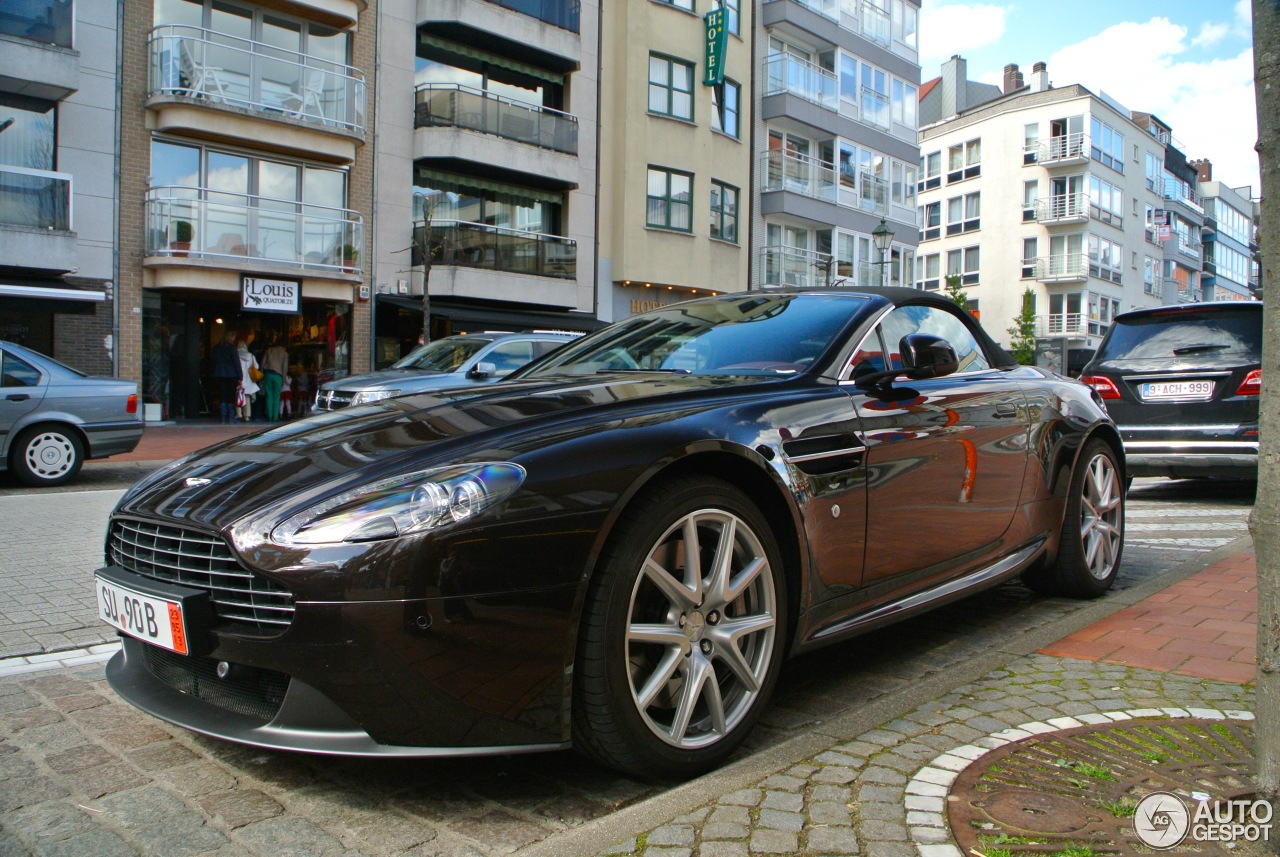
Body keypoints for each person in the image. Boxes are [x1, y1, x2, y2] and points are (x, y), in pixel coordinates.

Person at [211, 331, 241, 424]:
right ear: (231, 337)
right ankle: (231, 417)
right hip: (231, 374)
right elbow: (236, 362)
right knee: (230, 396)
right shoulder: (232, 348)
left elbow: (213, 360)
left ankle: (223, 417)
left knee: (223, 396)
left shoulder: (217, 347)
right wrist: (240, 376)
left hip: (220, 373)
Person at [260, 334, 289, 421]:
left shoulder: (268, 350)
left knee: (269, 395)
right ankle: (275, 417)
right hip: (278, 376)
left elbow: (262, 364)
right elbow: (285, 368)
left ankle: (269, 416)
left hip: (268, 374)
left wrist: (261, 375)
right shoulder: (284, 354)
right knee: (276, 396)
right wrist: (284, 380)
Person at [236, 335, 260, 422]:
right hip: (249, 379)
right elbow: (256, 366)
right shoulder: (251, 356)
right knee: (247, 398)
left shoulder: (236, 354)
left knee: (238, 396)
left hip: (240, 378)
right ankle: (247, 416)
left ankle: (239, 414)